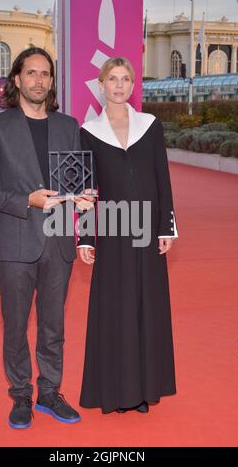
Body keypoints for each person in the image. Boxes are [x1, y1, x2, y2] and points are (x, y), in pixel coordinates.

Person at [0, 47, 91, 428]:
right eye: (32, 73)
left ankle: (50, 392)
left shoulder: (69, 126)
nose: (39, 80)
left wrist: (84, 197)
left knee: (54, 326)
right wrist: (26, 200)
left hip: (58, 242)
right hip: (15, 243)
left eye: (46, 74)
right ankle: (20, 394)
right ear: (18, 79)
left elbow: (78, 180)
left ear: (52, 82)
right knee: (17, 324)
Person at [78, 57, 178, 414]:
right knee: (116, 309)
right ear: (101, 84)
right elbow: (86, 190)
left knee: (145, 307)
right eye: (112, 79)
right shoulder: (89, 130)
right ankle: (118, 391)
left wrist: (167, 227)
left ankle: (142, 390)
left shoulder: (150, 126)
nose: (119, 85)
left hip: (148, 229)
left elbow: (161, 178)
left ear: (133, 86)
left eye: (126, 79)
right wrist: (86, 237)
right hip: (113, 231)